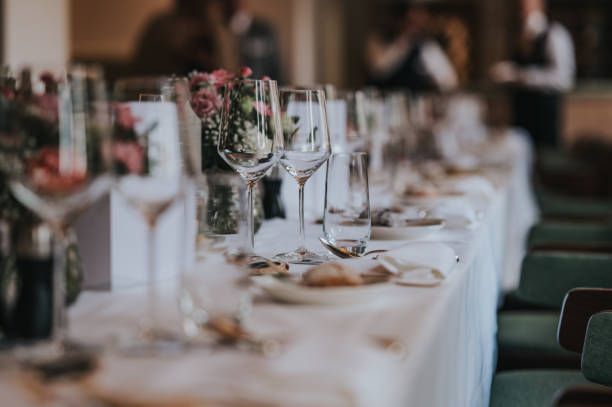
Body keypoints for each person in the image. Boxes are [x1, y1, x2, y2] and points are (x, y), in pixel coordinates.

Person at [491, 0, 575, 148]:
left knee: (544, 160)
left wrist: (521, 76)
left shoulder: (555, 34)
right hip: (520, 114)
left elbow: (563, 79)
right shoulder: (519, 34)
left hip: (544, 116)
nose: (522, 6)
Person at [365, 1, 458, 92]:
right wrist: (404, 40)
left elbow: (449, 82)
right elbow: (378, 69)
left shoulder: (426, 45)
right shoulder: (378, 38)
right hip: (380, 102)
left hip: (413, 103)